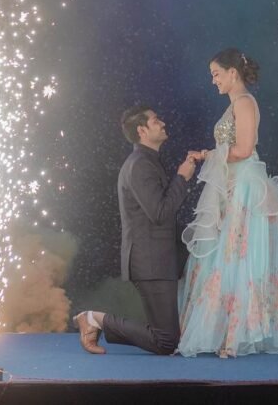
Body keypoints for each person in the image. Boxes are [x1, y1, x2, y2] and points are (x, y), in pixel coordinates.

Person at [177, 48, 278, 357]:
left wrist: (210, 155)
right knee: (229, 255)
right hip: (232, 184)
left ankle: (239, 333)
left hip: (245, 187)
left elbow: (246, 148)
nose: (213, 81)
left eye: (216, 74)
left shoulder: (245, 103)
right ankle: (228, 330)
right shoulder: (235, 104)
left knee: (242, 255)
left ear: (232, 73)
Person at [74, 105, 201, 355]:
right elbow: (160, 212)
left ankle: (95, 320)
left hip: (158, 259)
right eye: (156, 120)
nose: (162, 123)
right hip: (151, 262)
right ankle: (94, 319)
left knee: (169, 337)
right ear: (142, 130)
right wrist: (182, 178)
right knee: (166, 342)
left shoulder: (147, 161)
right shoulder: (140, 164)